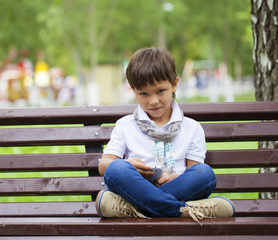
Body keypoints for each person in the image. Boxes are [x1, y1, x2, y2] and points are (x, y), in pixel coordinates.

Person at [95, 47, 235, 225]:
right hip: (136, 187)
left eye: (160, 91)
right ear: (133, 90)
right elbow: (104, 166)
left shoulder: (191, 128)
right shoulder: (125, 125)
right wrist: (127, 164)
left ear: (174, 84)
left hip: (175, 187)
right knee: (116, 169)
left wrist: (171, 179)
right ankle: (183, 211)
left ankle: (134, 209)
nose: (153, 101)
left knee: (205, 174)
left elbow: (194, 172)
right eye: (144, 93)